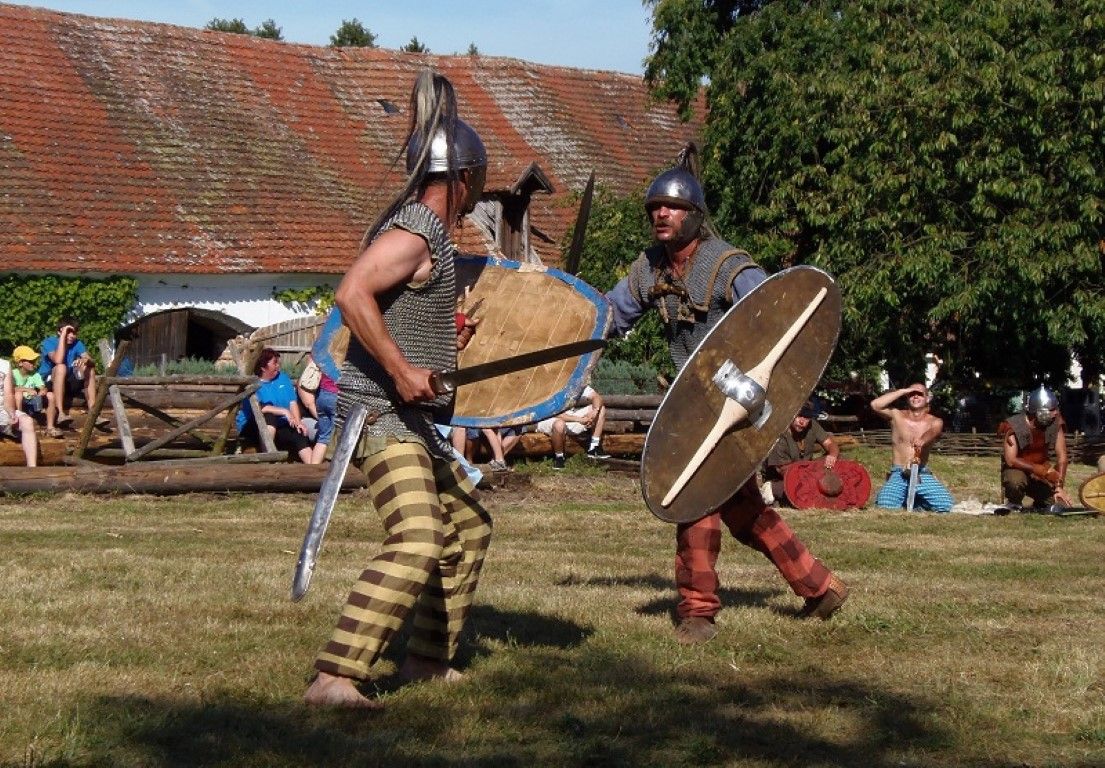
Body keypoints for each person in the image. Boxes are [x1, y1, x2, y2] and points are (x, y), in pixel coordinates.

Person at [303, 70, 493, 709]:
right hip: (379, 415)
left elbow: (396, 315)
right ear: (464, 178)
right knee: (418, 536)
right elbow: (352, 294)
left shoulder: (429, 237)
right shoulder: (414, 232)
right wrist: (405, 372)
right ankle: (334, 676)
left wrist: (440, 350)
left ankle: (425, 661)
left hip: (408, 419)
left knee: (468, 524)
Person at [605, 145, 847, 644]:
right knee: (743, 512)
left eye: (670, 208)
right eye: (654, 209)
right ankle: (820, 587)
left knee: (694, 500)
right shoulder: (650, 268)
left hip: (739, 405)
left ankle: (698, 612)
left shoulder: (729, 266)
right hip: (699, 405)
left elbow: (778, 321)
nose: (661, 215)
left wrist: (777, 404)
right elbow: (610, 316)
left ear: (694, 215)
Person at [870, 383, 954, 512]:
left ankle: (917, 501)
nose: (915, 396)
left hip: (921, 472)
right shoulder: (896, 415)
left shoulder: (935, 421)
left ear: (927, 398)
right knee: (885, 505)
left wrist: (923, 440)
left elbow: (934, 431)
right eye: (911, 394)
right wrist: (903, 390)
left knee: (945, 504)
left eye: (920, 394)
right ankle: (904, 498)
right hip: (899, 472)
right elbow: (875, 405)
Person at [235, 347, 313, 464]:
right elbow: (260, 408)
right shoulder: (253, 384)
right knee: (269, 417)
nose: (278, 366)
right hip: (253, 426)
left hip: (279, 426)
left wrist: (298, 422)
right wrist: (284, 411)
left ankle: (313, 468)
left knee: (299, 433)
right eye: (274, 363)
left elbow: (292, 402)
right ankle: (267, 458)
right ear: (263, 367)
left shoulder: (283, 378)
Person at [999, 386, 1072, 508]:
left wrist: (1059, 486)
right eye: (1052, 410)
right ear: (1040, 411)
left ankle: (1040, 502)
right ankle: (1014, 501)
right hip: (1018, 470)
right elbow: (1011, 460)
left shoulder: (1055, 422)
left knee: (1056, 504)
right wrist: (1038, 469)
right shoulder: (1015, 424)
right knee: (1015, 482)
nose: (1056, 413)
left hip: (1041, 473)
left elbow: (1062, 458)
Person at [761, 401, 840, 506]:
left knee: (840, 460)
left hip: (808, 471)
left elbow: (830, 443)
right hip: (784, 476)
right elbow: (783, 470)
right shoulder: (779, 434)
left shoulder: (812, 425)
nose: (802, 421)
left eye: (806, 418)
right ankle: (774, 489)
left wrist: (832, 455)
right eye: (799, 416)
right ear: (792, 415)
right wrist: (815, 476)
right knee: (802, 486)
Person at [38, 318, 98, 431]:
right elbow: (58, 360)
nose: (71, 336)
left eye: (74, 333)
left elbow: (92, 361)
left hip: (67, 381)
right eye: (68, 332)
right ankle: (60, 412)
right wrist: (63, 338)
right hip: (50, 381)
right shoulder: (49, 342)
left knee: (89, 368)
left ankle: (94, 412)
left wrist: (86, 360)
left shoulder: (77, 343)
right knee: (61, 367)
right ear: (59, 332)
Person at [535, 385, 608, 469]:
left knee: (601, 409)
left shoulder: (575, 382)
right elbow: (555, 413)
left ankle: (594, 447)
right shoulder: (550, 386)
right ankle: (559, 457)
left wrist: (595, 411)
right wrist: (579, 419)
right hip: (549, 419)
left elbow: (596, 397)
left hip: (571, 418)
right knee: (559, 424)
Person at [296, 355, 338, 465]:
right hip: (336, 396)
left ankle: (313, 469)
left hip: (323, 395)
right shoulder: (346, 353)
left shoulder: (325, 353)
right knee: (340, 435)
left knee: (323, 437)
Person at [10, 345, 58, 437]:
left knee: (51, 395)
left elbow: (42, 386)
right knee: (18, 394)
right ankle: (19, 424)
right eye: (30, 361)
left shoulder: (35, 374)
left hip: (31, 401)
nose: (33, 363)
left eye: (34, 361)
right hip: (19, 403)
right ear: (20, 363)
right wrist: (27, 389)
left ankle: (50, 427)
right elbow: (11, 388)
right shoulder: (13, 373)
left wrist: (43, 390)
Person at [0, 356, 38, 466]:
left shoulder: (4, 364)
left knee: (27, 421)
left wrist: (12, 412)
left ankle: (32, 469)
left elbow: (8, 394)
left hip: (2, 410)